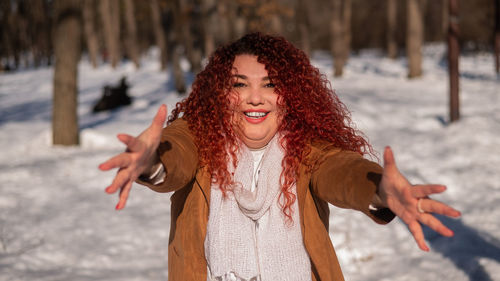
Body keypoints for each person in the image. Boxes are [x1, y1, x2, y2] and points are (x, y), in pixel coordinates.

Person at [99, 33, 461, 281]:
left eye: (270, 84)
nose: (255, 98)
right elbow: (174, 157)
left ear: (291, 94)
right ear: (219, 93)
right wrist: (149, 159)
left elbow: (342, 170)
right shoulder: (199, 137)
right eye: (239, 84)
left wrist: (381, 189)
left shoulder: (308, 150)